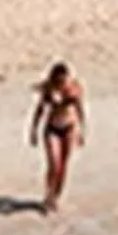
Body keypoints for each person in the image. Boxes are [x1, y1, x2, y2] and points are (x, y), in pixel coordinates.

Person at [28, 62, 85, 215]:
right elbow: (39, 111)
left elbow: (80, 109)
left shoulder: (74, 89)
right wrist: (33, 130)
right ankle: (48, 195)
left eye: (64, 81)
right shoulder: (49, 90)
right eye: (59, 81)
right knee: (53, 164)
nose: (62, 84)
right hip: (52, 129)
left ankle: (56, 196)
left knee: (63, 165)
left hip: (69, 128)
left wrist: (82, 130)